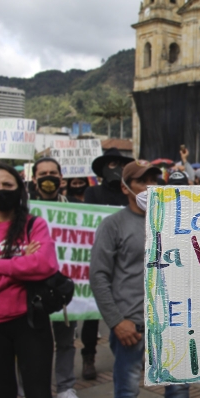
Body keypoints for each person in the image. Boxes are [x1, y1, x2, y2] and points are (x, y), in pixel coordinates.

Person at [90, 160, 200, 398]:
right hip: (131, 324)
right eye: (143, 181)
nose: (151, 186)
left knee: (178, 381)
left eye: (156, 179)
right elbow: (99, 276)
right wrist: (117, 321)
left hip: (173, 320)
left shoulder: (173, 220)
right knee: (127, 389)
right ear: (125, 188)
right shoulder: (113, 225)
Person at [0, 162, 66, 398]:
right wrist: (20, 266)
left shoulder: (33, 225)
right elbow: (30, 266)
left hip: (30, 323)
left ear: (19, 190)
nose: (1, 191)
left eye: (7, 186)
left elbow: (44, 265)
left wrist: (3, 267)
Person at [24, 157, 87, 398]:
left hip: (64, 289)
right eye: (43, 173)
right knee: (30, 345)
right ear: (34, 178)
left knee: (66, 341)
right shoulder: (23, 210)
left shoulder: (76, 208)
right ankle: (27, 396)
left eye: (52, 173)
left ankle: (65, 389)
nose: (48, 178)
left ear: (61, 179)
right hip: (31, 289)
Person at [81, 148, 134, 380]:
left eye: (121, 164)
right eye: (112, 164)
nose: (117, 169)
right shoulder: (92, 193)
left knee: (130, 310)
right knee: (94, 313)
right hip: (102, 255)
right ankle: (88, 355)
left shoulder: (128, 194)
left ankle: (134, 353)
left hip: (125, 261)